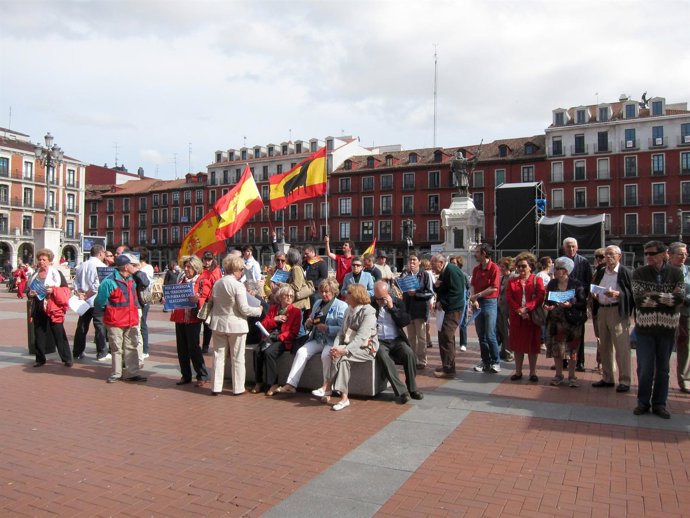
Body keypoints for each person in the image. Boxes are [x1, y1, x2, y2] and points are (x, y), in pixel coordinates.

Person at [632, 241, 685, 418]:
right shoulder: (639, 272)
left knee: (663, 369)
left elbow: (679, 299)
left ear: (664, 255)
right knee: (645, 367)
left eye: (652, 253)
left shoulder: (676, 273)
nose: (648, 257)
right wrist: (666, 297)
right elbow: (639, 300)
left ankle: (659, 404)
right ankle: (643, 402)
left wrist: (653, 295)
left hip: (667, 328)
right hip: (645, 328)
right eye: (646, 253)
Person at [277, 278, 347, 394]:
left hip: (331, 340)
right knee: (301, 352)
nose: (323, 294)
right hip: (317, 338)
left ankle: (326, 389)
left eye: (327, 292)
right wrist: (308, 323)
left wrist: (328, 328)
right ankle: (291, 384)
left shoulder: (341, 305)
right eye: (321, 292)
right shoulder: (317, 303)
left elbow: (342, 328)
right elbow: (310, 324)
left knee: (326, 355)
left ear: (334, 292)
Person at [208, 255, 263, 396]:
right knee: (237, 358)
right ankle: (238, 388)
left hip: (218, 324)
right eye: (241, 270)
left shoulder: (217, 283)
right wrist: (258, 310)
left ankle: (216, 387)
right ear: (236, 269)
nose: (242, 272)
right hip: (236, 325)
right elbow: (244, 308)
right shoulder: (238, 286)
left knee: (218, 356)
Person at [318, 283, 378, 411]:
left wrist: (344, 350)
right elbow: (341, 332)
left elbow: (361, 337)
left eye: (349, 293)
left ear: (357, 295)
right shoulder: (348, 310)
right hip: (348, 344)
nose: (346, 295)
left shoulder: (369, 312)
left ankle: (329, 388)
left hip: (366, 348)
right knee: (334, 356)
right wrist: (335, 347)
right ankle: (342, 397)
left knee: (343, 359)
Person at [94, 254, 146, 383]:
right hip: (115, 320)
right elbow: (99, 301)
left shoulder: (132, 279)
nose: (132, 267)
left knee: (132, 346)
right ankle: (116, 373)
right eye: (130, 265)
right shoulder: (109, 281)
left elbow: (145, 282)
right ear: (125, 266)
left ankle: (131, 373)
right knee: (117, 348)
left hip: (130, 318)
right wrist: (105, 312)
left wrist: (137, 272)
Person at [591, 245, 634, 393]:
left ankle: (625, 380)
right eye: (606, 254)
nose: (608, 257)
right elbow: (595, 287)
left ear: (619, 256)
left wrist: (618, 294)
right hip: (602, 310)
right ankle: (608, 377)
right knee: (605, 346)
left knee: (622, 347)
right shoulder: (602, 271)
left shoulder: (625, 272)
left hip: (617, 311)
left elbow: (632, 293)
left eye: (611, 254)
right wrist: (595, 294)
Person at [372, 281, 423, 403]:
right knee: (383, 356)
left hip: (395, 338)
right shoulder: (371, 303)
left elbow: (404, 321)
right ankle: (401, 392)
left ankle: (412, 388)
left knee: (409, 353)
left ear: (388, 294)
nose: (379, 301)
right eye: (377, 298)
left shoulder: (397, 302)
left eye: (382, 298)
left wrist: (392, 308)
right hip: (379, 340)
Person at [543, 257, 587, 387]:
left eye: (558, 268)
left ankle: (572, 376)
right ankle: (558, 375)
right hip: (556, 321)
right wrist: (547, 306)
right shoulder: (552, 284)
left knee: (572, 349)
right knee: (557, 349)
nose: (555, 271)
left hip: (572, 322)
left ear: (566, 270)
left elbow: (582, 303)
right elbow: (548, 300)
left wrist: (570, 305)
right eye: (555, 268)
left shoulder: (576, 284)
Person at [26, 249, 72, 368]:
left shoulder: (56, 274)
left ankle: (67, 358)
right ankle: (40, 359)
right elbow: (28, 291)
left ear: (49, 261)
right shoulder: (34, 275)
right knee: (39, 333)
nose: (41, 262)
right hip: (38, 306)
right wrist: (30, 293)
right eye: (40, 259)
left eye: (44, 260)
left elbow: (66, 290)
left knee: (58, 332)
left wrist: (53, 290)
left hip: (53, 307)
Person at [252, 285, 301, 396]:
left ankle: (273, 383)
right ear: (280, 297)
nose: (289, 298)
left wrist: (280, 337)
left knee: (269, 353)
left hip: (284, 339)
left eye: (291, 296)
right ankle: (259, 382)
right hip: (269, 336)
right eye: (286, 295)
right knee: (257, 351)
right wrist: (275, 319)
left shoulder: (296, 311)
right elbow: (264, 324)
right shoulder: (274, 308)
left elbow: (294, 332)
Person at [170, 255, 210, 387]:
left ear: (195, 267)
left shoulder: (202, 280)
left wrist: (198, 300)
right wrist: (168, 301)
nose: (186, 269)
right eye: (185, 266)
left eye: (189, 267)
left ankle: (202, 374)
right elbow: (175, 294)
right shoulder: (181, 278)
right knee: (181, 348)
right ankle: (185, 375)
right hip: (180, 317)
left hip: (193, 318)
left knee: (193, 347)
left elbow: (205, 295)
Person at [506, 252, 545, 382]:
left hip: (531, 317)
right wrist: (519, 310)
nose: (521, 269)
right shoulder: (512, 281)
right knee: (517, 346)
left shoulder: (537, 280)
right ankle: (518, 371)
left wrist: (527, 308)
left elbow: (540, 296)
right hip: (517, 318)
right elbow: (509, 298)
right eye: (518, 266)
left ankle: (533, 372)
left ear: (530, 267)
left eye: (523, 266)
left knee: (533, 346)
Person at [72, 244, 109, 361]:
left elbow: (75, 281)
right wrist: (88, 294)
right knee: (99, 326)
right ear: (101, 253)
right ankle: (102, 352)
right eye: (104, 254)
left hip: (83, 301)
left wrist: (80, 293)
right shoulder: (102, 266)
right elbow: (98, 285)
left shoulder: (82, 265)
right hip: (96, 300)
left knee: (82, 326)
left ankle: (77, 351)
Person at [431, 253, 466, 378]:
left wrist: (442, 302)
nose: (432, 268)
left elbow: (456, 292)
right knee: (443, 335)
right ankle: (446, 364)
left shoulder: (451, 270)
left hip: (453, 309)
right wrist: (436, 287)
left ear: (440, 263)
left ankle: (450, 368)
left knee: (447, 335)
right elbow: (442, 288)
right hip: (446, 309)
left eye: (433, 265)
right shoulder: (445, 271)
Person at [470, 243, 502, 373]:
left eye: (477, 252)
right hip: (478, 303)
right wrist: (473, 298)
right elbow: (472, 285)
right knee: (481, 334)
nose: (475, 254)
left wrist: (478, 295)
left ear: (484, 253)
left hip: (490, 302)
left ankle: (496, 361)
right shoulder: (476, 269)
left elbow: (494, 287)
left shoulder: (494, 268)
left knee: (490, 334)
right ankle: (485, 361)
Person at [562, 237, 592, 371]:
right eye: (568, 246)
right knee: (562, 333)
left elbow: (589, 283)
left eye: (573, 246)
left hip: (578, 303)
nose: (571, 249)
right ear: (564, 248)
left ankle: (580, 362)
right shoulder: (559, 262)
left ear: (577, 247)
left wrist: (577, 294)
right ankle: (563, 361)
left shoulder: (584, 262)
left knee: (579, 333)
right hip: (562, 303)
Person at [401, 253, 433, 369]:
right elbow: (401, 290)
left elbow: (430, 292)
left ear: (419, 262)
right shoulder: (405, 274)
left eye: (414, 260)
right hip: (408, 309)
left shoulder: (424, 275)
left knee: (421, 336)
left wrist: (417, 293)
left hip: (420, 310)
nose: (412, 262)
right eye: (410, 260)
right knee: (411, 337)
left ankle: (422, 360)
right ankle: (412, 359)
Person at [668, 242, 690, 394]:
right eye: (680, 254)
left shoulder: (689, 271)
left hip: (685, 314)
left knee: (685, 346)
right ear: (670, 255)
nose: (683, 257)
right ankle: (659, 378)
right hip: (666, 314)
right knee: (663, 346)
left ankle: (685, 380)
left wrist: (686, 299)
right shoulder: (663, 272)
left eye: (685, 254)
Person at [200, 251, 222, 354]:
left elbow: (218, 284)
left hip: (209, 300)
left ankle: (205, 346)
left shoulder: (216, 270)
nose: (207, 262)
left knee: (207, 324)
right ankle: (196, 345)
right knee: (196, 323)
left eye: (209, 260)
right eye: (205, 260)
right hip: (199, 299)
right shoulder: (200, 270)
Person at [496, 256, 515, 362]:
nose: (500, 268)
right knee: (502, 330)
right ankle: (504, 350)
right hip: (500, 308)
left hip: (509, 309)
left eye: (502, 266)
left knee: (508, 331)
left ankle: (509, 352)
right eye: (500, 266)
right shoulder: (502, 278)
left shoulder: (513, 277)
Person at [286, 247, 312, 313]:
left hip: (300, 303)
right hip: (299, 302)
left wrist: (283, 285)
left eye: (287, 256)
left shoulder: (296, 268)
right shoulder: (295, 268)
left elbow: (297, 287)